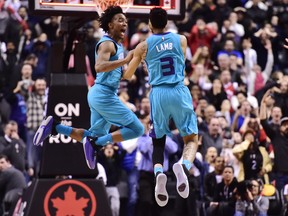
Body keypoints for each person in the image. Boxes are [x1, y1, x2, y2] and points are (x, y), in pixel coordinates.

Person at [33, 6, 144, 170]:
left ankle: (55, 126)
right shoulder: (107, 43)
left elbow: (126, 76)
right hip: (103, 94)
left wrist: (136, 58)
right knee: (137, 129)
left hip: (101, 93)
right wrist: (126, 59)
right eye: (120, 20)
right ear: (110, 25)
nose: (125, 23)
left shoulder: (118, 47)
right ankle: (95, 143)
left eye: (126, 21)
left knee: (92, 136)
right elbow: (99, 67)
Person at [124, 7, 198, 206]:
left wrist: (133, 58)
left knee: (158, 140)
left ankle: (158, 174)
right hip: (179, 90)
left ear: (149, 24)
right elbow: (181, 61)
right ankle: (183, 165)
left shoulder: (143, 46)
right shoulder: (181, 39)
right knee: (191, 138)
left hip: (158, 93)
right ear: (167, 23)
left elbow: (127, 75)